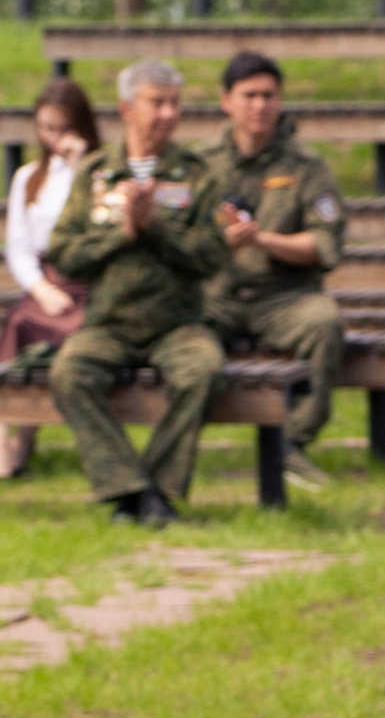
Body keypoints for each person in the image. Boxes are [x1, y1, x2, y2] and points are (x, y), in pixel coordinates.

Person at [46, 60, 229, 527]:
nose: (169, 113)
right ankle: (132, 489)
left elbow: (213, 255)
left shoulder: (196, 175)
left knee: (203, 371)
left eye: (175, 103)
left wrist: (156, 228)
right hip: (109, 324)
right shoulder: (95, 173)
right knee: (69, 372)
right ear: (127, 108)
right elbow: (64, 254)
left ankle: (158, 490)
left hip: (177, 324)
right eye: (157, 103)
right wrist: (122, 234)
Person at [202, 53, 347, 492]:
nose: (260, 105)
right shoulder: (201, 166)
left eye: (269, 95)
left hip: (285, 295)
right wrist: (217, 243)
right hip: (218, 295)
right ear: (226, 101)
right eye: (249, 95)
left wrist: (262, 240)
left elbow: (324, 244)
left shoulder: (307, 166)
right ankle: (178, 442)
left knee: (324, 323)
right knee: (174, 329)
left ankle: (292, 442)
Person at [0, 78, 99, 479]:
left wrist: (82, 169)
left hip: (90, 280)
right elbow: (18, 247)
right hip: (47, 279)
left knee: (74, 329)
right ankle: (0, 431)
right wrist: (41, 288)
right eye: (47, 128)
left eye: (64, 129)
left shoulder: (100, 173)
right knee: (21, 320)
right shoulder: (29, 177)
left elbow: (104, 225)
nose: (56, 139)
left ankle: (26, 431)